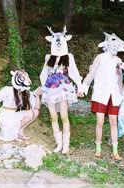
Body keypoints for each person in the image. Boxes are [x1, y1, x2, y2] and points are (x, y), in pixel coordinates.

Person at [81, 32, 124, 160]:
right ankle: (98, 148)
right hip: (101, 93)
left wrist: (122, 93)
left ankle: (115, 151)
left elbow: (119, 79)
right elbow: (91, 74)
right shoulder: (100, 57)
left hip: (114, 96)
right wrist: (84, 87)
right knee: (100, 121)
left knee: (114, 121)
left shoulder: (119, 61)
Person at [40, 26, 83, 154]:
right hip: (50, 89)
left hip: (63, 88)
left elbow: (74, 72)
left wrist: (80, 86)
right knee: (53, 117)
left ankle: (66, 145)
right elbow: (44, 74)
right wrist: (43, 87)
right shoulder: (49, 58)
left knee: (64, 116)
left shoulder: (68, 57)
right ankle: (58, 143)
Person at [0, 70, 41, 142]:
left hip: (16, 115)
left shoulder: (26, 92)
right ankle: (15, 133)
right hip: (7, 117)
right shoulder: (8, 90)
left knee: (33, 112)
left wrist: (37, 95)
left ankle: (19, 131)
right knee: (29, 113)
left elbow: (37, 108)